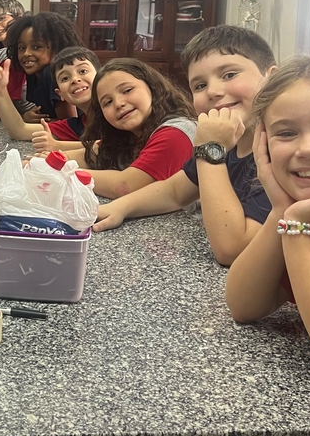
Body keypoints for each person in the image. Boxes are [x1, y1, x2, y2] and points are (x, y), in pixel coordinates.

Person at [192, 52, 310, 436]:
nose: (309, 148)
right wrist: (281, 211)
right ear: (265, 146)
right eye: (287, 133)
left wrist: (300, 226)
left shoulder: (309, 221)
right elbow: (244, 304)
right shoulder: (305, 212)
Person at [93, 26, 277, 266]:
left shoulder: (279, 155)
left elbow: (232, 250)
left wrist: (211, 148)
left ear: (271, 78)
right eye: (199, 85)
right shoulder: (229, 144)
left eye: (229, 74)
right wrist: (121, 208)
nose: (213, 91)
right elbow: (174, 191)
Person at [65, 58, 196, 198]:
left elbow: (125, 186)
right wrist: (55, 160)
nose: (118, 104)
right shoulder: (131, 135)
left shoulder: (176, 133)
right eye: (107, 102)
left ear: (152, 87)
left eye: (127, 90)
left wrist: (65, 172)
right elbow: (91, 153)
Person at [0, 46, 99, 147]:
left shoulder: (109, 113)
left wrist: (58, 146)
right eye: (65, 78)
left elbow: (106, 148)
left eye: (83, 71)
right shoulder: (75, 126)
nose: (75, 79)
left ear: (100, 76)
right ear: (60, 94)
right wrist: (0, 91)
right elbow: (19, 131)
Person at [5, 12, 83, 119]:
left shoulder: (51, 73)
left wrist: (27, 121)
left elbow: (70, 124)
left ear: (56, 48)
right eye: (21, 48)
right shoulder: (34, 74)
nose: (26, 53)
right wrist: (28, 116)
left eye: (36, 47)